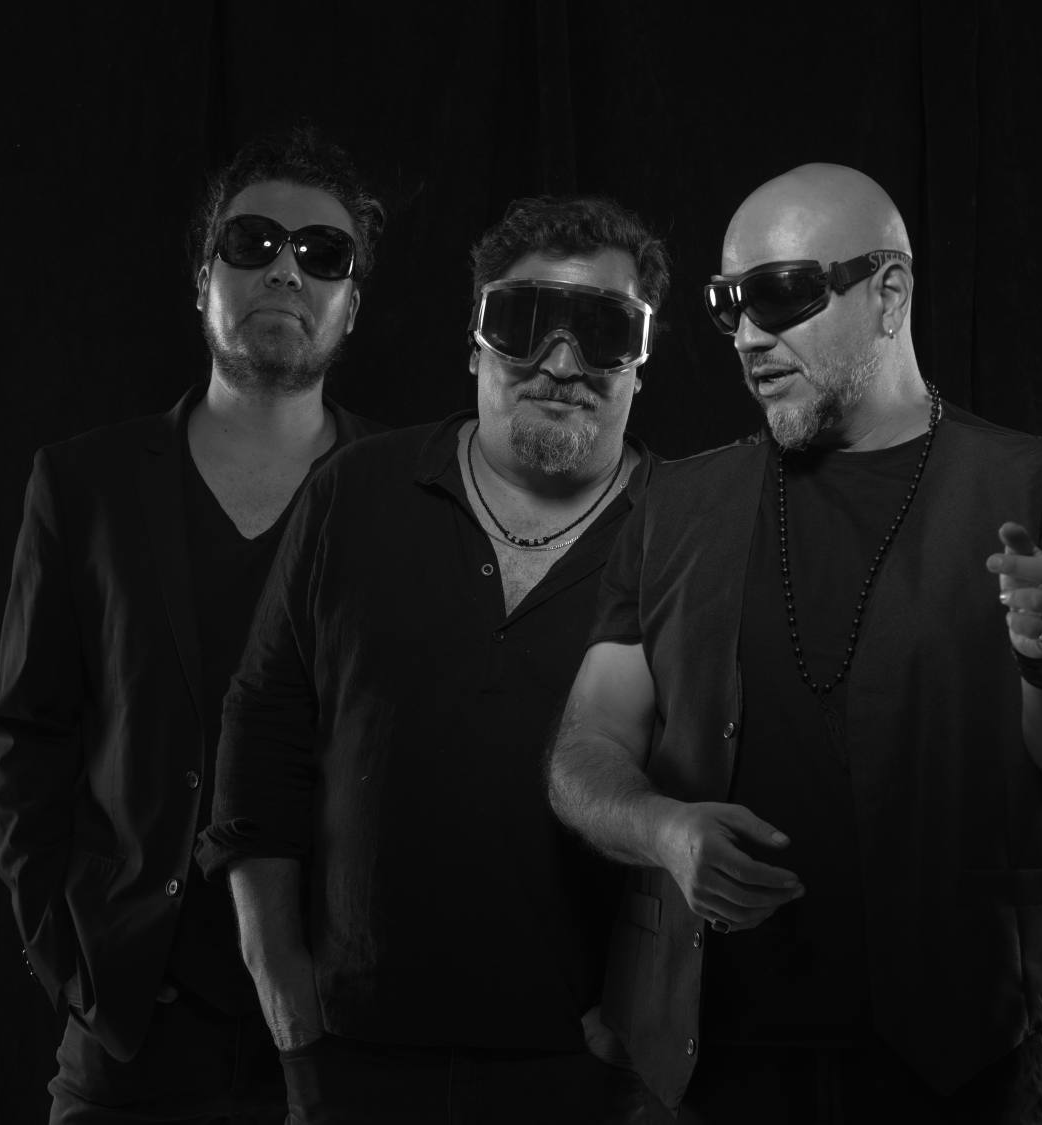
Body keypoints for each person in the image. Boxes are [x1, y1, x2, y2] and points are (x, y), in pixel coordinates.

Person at [546, 163, 1042, 1123]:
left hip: (969, 1061)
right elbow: (585, 750)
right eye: (729, 304)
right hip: (705, 1068)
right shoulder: (673, 508)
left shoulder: (1036, 488)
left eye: (782, 295)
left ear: (890, 292)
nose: (749, 335)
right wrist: (664, 829)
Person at [196, 195, 670, 1123]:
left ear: (641, 363)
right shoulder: (353, 494)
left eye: (604, 331)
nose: (561, 363)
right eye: (524, 323)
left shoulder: (690, 534)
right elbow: (260, 742)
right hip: (358, 1062)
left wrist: (647, 1014)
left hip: (590, 1079)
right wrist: (289, 1008)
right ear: (475, 345)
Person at [0, 126, 387, 1122]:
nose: (285, 270)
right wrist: (72, 964)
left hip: (338, 1039)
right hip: (131, 1035)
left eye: (322, 254)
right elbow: (28, 733)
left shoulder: (405, 496)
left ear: (351, 305)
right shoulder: (83, 485)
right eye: (253, 243)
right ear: (203, 278)